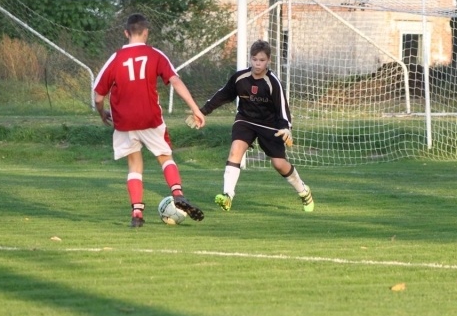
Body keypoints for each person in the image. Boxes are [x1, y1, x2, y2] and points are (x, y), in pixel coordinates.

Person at [93, 13, 206, 227]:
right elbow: (175, 80)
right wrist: (195, 109)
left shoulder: (116, 58)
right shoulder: (154, 54)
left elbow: (98, 96)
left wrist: (102, 113)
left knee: (134, 164)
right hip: (150, 117)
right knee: (165, 155)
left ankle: (137, 213)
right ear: (146, 32)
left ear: (126, 33)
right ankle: (178, 193)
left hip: (124, 121)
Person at [193, 39, 314, 212]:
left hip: (270, 125)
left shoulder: (273, 82)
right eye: (255, 59)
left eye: (262, 60)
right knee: (235, 151)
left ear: (268, 61)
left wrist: (286, 127)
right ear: (250, 59)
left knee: (279, 164)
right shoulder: (240, 78)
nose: (258, 63)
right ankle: (227, 196)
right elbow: (223, 95)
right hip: (245, 120)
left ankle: (303, 191)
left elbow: (283, 109)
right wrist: (202, 111)